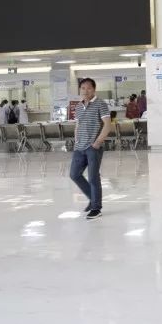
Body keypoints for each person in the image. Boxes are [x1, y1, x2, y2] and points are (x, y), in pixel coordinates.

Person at [69, 78, 111, 220]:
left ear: (94, 89)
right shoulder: (79, 106)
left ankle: (96, 208)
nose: (85, 91)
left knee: (93, 177)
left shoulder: (101, 104)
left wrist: (97, 143)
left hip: (93, 147)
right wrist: (76, 140)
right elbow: (78, 125)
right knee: (74, 174)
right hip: (79, 147)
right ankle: (93, 199)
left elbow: (107, 125)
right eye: (83, 88)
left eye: (88, 88)